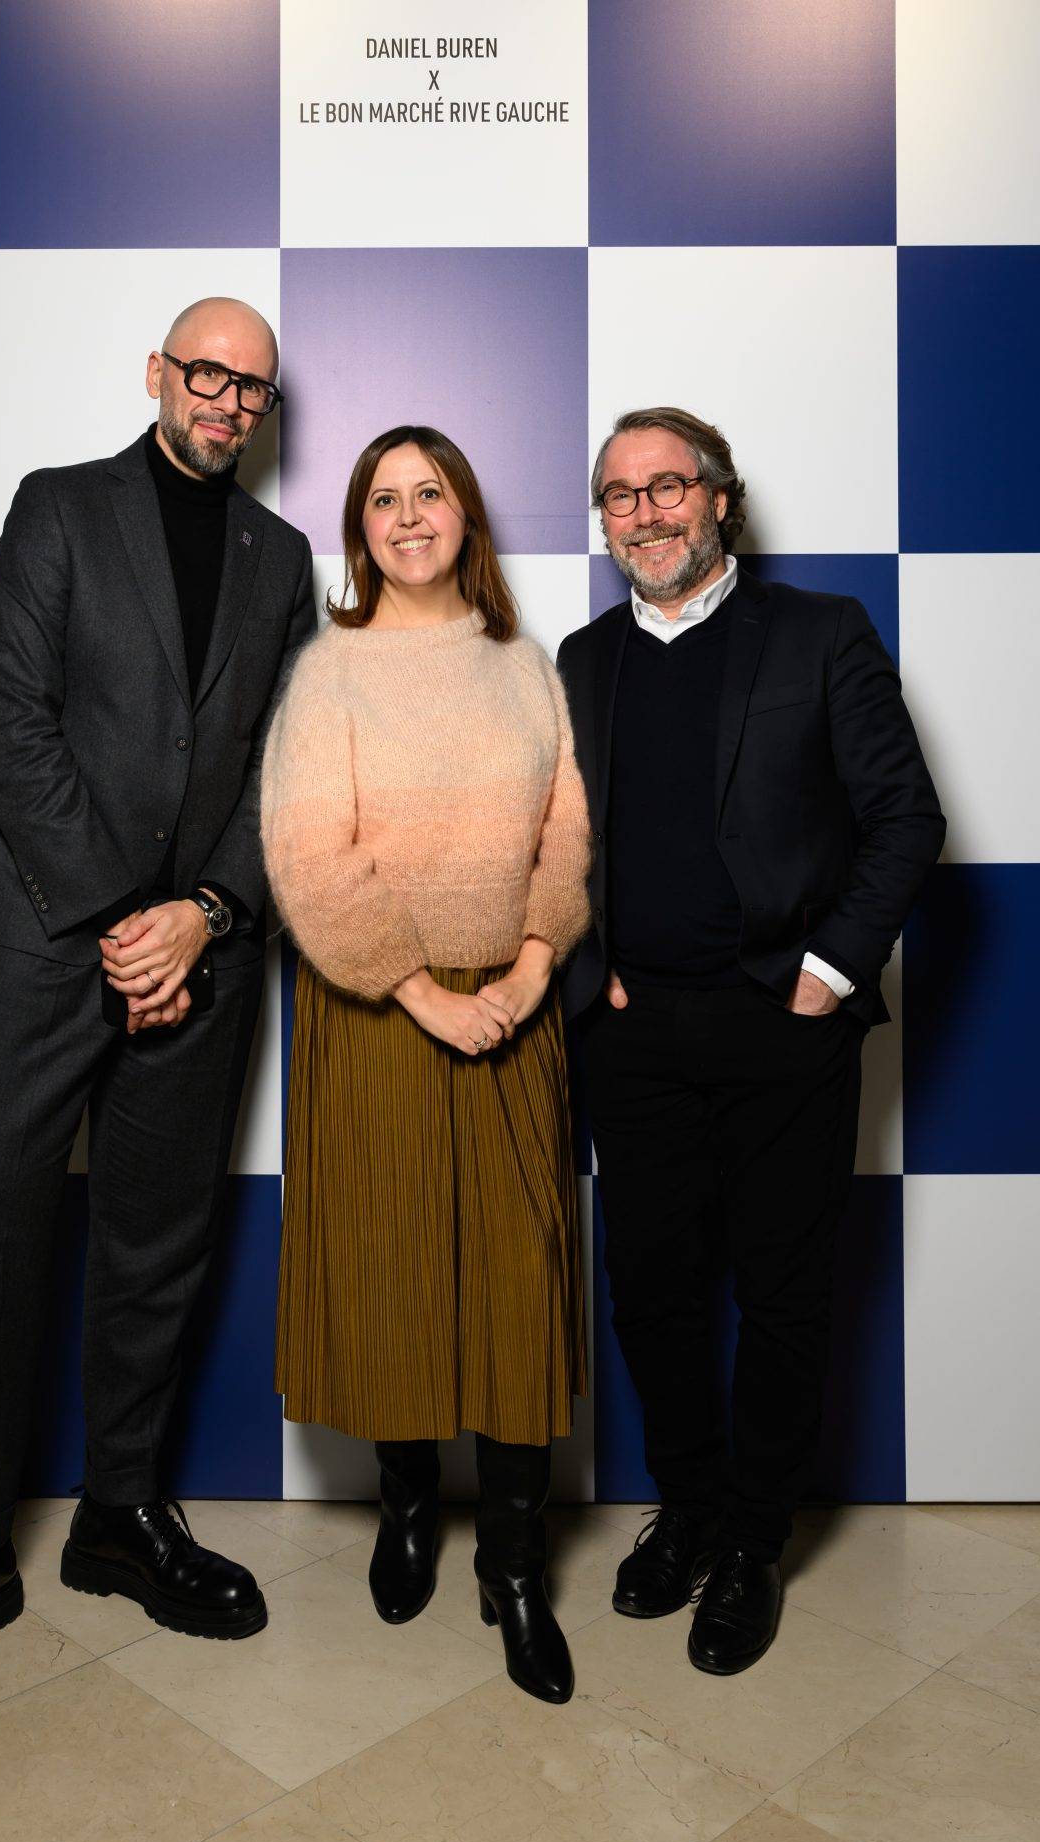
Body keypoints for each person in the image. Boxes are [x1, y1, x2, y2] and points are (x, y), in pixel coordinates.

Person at [0, 298, 316, 1723]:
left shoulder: (282, 557)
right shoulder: (58, 506)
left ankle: (121, 1517)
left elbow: (285, 762)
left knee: (158, 1242)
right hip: (40, 945)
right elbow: (11, 723)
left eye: (253, 388)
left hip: (198, 957)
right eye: (207, 373)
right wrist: (122, 918)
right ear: (159, 374)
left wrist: (204, 913)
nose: (227, 402)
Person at [559, 407, 944, 1676]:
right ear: (605, 520)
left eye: (670, 486)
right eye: (622, 495)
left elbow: (906, 818)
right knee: (652, 1290)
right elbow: (561, 843)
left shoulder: (822, 633)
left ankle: (755, 1542)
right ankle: (692, 1506)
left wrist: (827, 977)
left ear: (721, 498)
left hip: (784, 1027)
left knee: (783, 1294)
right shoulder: (582, 659)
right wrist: (590, 969)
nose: (647, 512)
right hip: (633, 1036)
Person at [261, 425, 591, 1705]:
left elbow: (567, 831)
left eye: (430, 492)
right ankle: (407, 1508)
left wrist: (531, 966)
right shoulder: (330, 673)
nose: (408, 516)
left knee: (518, 1283)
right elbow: (307, 852)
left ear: (466, 514)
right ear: (361, 529)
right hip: (375, 1009)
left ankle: (513, 1563)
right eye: (384, 500)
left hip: (512, 1001)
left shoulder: (525, 667)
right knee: (392, 1264)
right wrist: (416, 991)